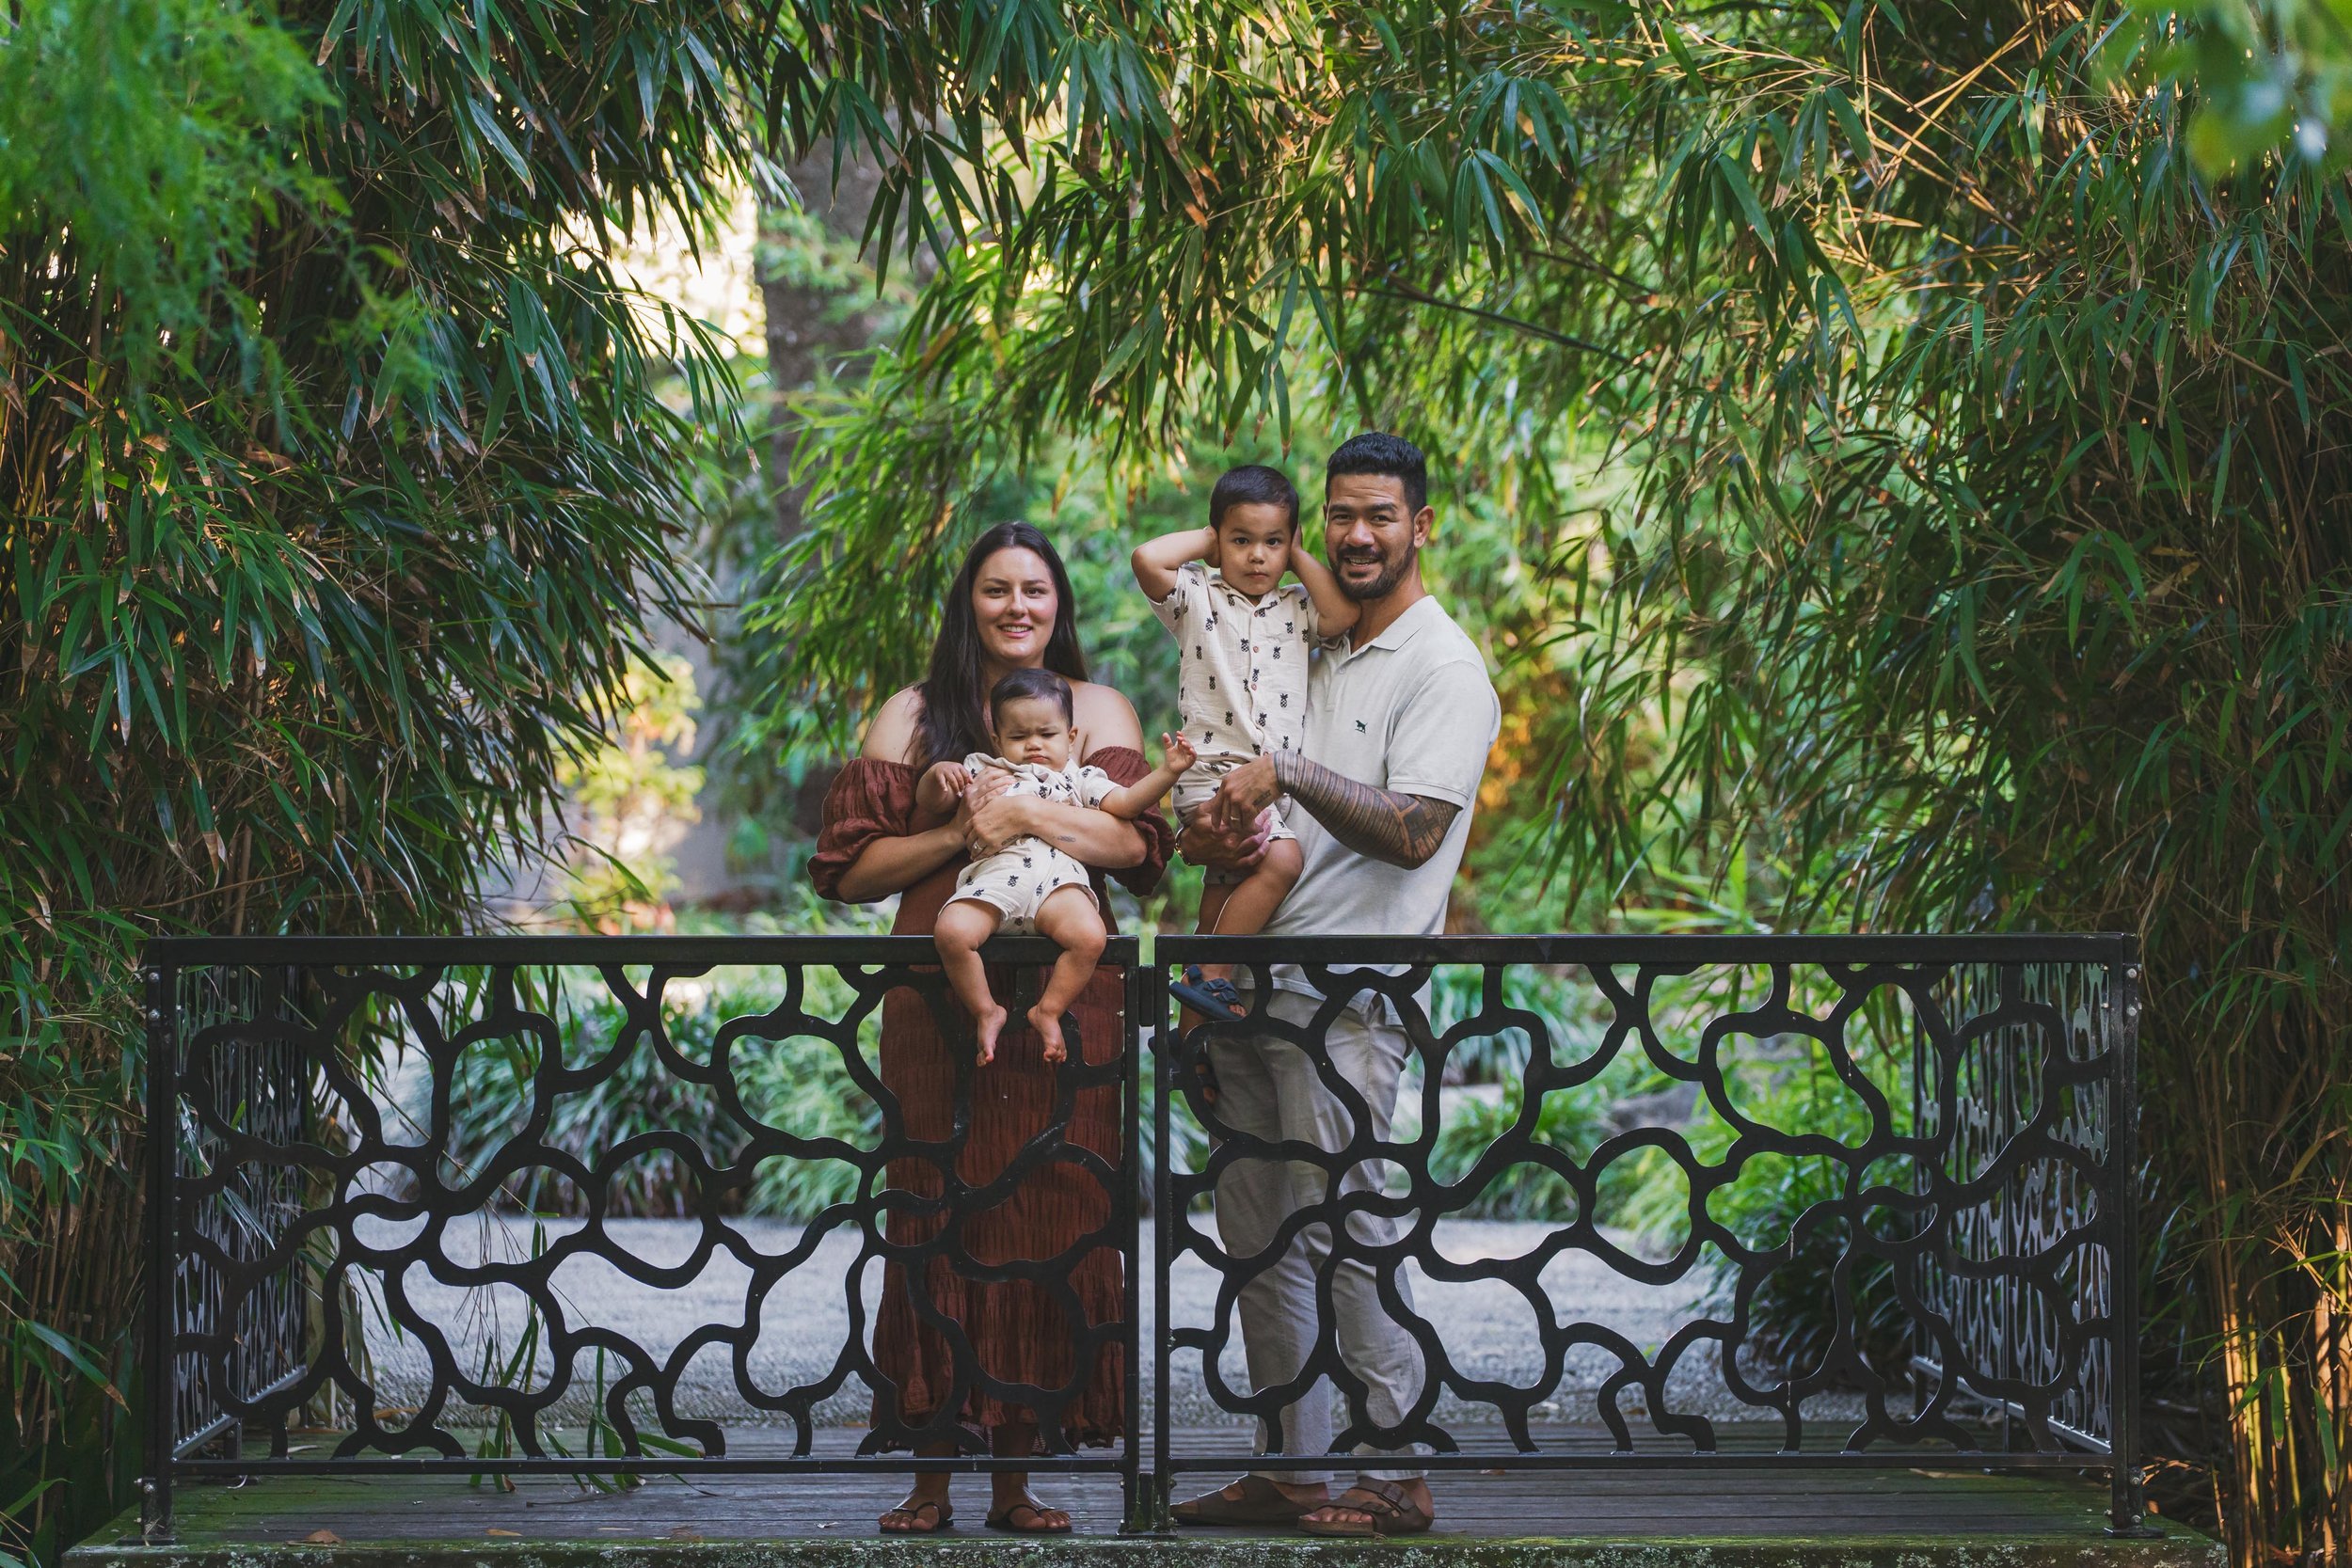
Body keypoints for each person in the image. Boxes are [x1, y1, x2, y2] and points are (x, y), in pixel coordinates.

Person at [809, 521, 1174, 1536]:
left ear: (1060, 603)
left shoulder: (1095, 707)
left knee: (1050, 1214)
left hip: (1066, 991)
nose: (1018, 606)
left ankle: (1018, 1480)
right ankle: (929, 1479)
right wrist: (952, 832)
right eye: (996, 588)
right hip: (938, 990)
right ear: (966, 601)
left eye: (1037, 589)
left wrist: (1022, 815)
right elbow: (848, 869)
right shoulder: (914, 713)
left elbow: (1135, 846)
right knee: (934, 1214)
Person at [1169, 433, 1502, 1538]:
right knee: (1261, 1239)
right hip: (1254, 995)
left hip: (1347, 1005)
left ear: (1421, 526)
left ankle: (1395, 1468)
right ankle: (1292, 1467)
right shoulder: (1316, 641)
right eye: (1344, 516)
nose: (1362, 535)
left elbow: (1412, 832)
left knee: (1349, 1231)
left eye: (1383, 516)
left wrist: (1293, 771)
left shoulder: (1441, 667)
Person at [1129, 465, 1359, 1022]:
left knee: (1222, 896)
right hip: (1212, 774)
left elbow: (1343, 612)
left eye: (1272, 542)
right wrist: (1209, 543)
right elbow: (1146, 559)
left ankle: (1188, 1032)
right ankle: (1214, 974)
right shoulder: (1196, 598)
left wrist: (1299, 554)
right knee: (1284, 860)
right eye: (1241, 540)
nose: (1258, 556)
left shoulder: (1297, 605)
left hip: (1265, 785)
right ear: (1217, 541)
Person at [929, 667, 1194, 1064]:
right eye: (1019, 737)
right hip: (998, 881)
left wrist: (1168, 773)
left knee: (1090, 937)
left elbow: (1127, 804)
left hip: (1058, 886)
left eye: (1047, 735)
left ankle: (1048, 1009)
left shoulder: (1082, 779)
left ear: (1070, 738)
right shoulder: (986, 769)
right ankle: (986, 1010)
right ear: (998, 740)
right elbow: (934, 802)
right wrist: (938, 777)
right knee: (951, 933)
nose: (1034, 745)